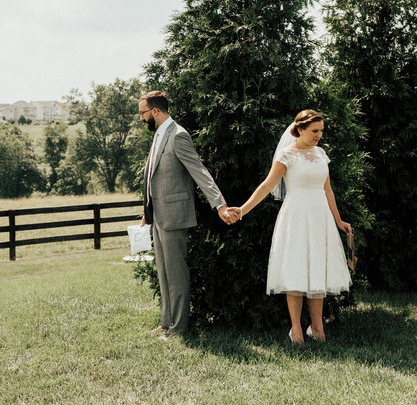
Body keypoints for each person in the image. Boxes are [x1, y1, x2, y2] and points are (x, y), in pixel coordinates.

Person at [229, 109, 352, 344]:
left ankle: (317, 329)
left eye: (321, 131)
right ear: (300, 130)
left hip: (320, 218)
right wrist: (242, 210)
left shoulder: (321, 154)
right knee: (295, 270)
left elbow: (327, 190)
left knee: (317, 269)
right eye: (315, 131)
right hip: (295, 216)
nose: (319, 135)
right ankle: (296, 330)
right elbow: (266, 186)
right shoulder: (286, 155)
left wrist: (338, 220)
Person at [138, 90, 239, 338]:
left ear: (155, 111)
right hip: (158, 216)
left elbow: (199, 171)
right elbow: (154, 177)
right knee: (163, 272)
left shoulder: (178, 135)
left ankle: (179, 328)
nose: (140, 118)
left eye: (142, 113)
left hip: (174, 215)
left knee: (176, 274)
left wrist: (220, 205)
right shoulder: (159, 134)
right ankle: (166, 321)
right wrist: (147, 211)